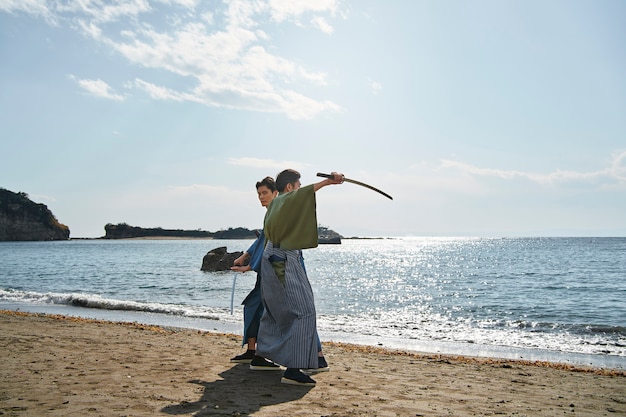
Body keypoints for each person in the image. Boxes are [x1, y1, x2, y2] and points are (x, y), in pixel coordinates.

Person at [256, 169, 344, 386]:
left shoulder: (275, 204)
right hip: (283, 259)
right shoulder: (286, 197)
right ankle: (293, 370)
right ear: (289, 187)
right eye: (297, 185)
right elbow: (304, 193)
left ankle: (262, 356)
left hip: (271, 257)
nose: (298, 188)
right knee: (304, 312)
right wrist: (328, 182)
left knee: (276, 310)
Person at [229, 176, 282, 371]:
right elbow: (262, 241)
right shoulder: (270, 213)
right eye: (258, 194)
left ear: (276, 193)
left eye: (265, 193)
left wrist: (250, 266)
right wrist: (246, 255)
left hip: (274, 274)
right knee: (252, 307)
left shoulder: (277, 213)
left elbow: (271, 246)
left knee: (264, 311)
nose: (261, 197)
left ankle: (261, 353)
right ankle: (253, 351)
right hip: (265, 274)